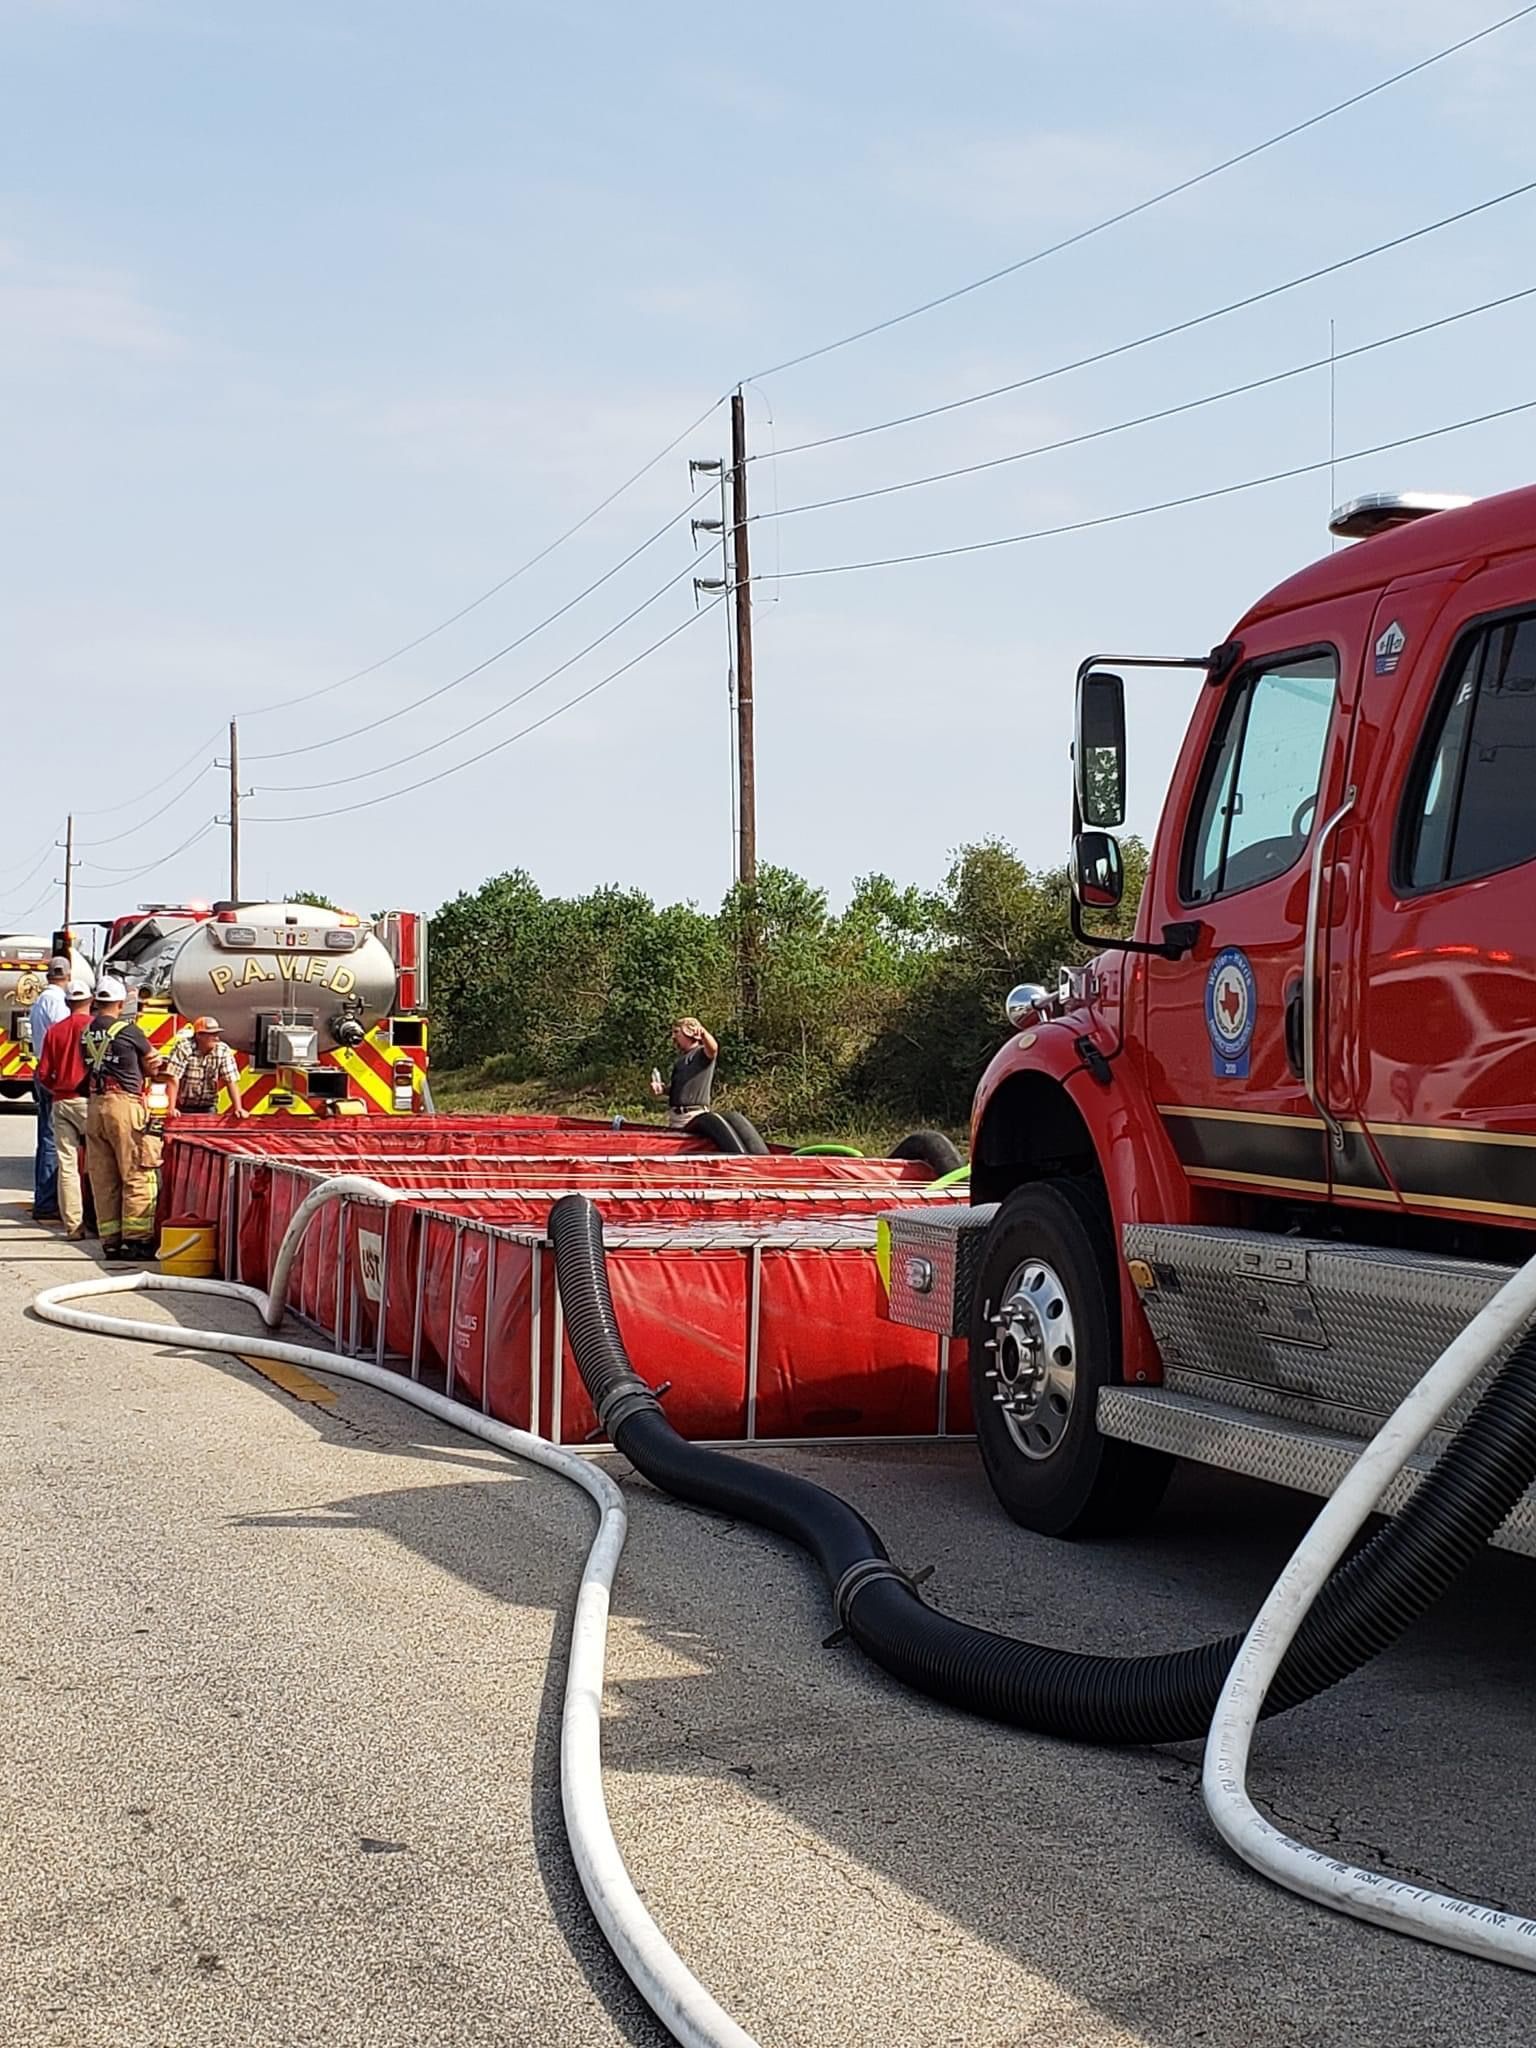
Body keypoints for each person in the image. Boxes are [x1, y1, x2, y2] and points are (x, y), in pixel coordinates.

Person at [81, 977, 160, 1261]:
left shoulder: (87, 1033)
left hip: (95, 1107)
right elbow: (153, 1061)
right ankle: (137, 1241)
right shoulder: (130, 1031)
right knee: (137, 1171)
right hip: (124, 1106)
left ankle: (110, 1242)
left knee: (104, 1178)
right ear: (119, 1002)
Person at [35, 982, 94, 1239]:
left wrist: (56, 1089)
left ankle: (73, 1226)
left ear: (68, 1003)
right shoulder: (98, 1029)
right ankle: (102, 1223)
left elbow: (44, 1073)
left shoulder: (55, 1031)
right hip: (91, 1102)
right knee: (98, 1165)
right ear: (91, 1001)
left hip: (62, 1101)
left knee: (67, 1166)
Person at [28, 956, 71, 1222]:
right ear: (66, 975)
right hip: (55, 1074)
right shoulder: (57, 1003)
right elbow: (63, 1037)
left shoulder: (40, 1002)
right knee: (53, 1140)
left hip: (43, 1070)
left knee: (46, 1137)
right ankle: (47, 1202)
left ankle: (44, 1199)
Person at [165, 1015, 248, 1118]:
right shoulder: (184, 1048)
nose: (216, 1038)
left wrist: (238, 1108)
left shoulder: (222, 1050)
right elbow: (173, 1077)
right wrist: (171, 1108)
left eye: (217, 1034)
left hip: (208, 1106)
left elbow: (230, 1080)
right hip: (183, 1106)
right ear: (199, 1035)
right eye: (212, 1035)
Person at [651, 1016, 718, 1127]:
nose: (673, 1037)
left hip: (694, 1116)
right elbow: (680, 1088)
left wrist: (703, 1034)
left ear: (688, 1032)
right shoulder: (681, 1060)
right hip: (676, 1117)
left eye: (677, 1032)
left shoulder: (701, 1054)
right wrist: (663, 1089)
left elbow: (713, 1049)